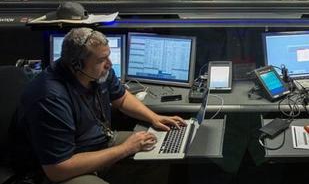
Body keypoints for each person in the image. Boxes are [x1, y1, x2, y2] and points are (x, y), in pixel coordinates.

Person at [10, 28, 186, 183]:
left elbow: (122, 98)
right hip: (63, 168)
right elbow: (58, 169)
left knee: (158, 152)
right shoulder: (49, 97)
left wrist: (154, 117)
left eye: (108, 56)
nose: (109, 64)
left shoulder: (99, 73)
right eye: (102, 60)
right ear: (76, 65)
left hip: (99, 142)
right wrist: (126, 148)